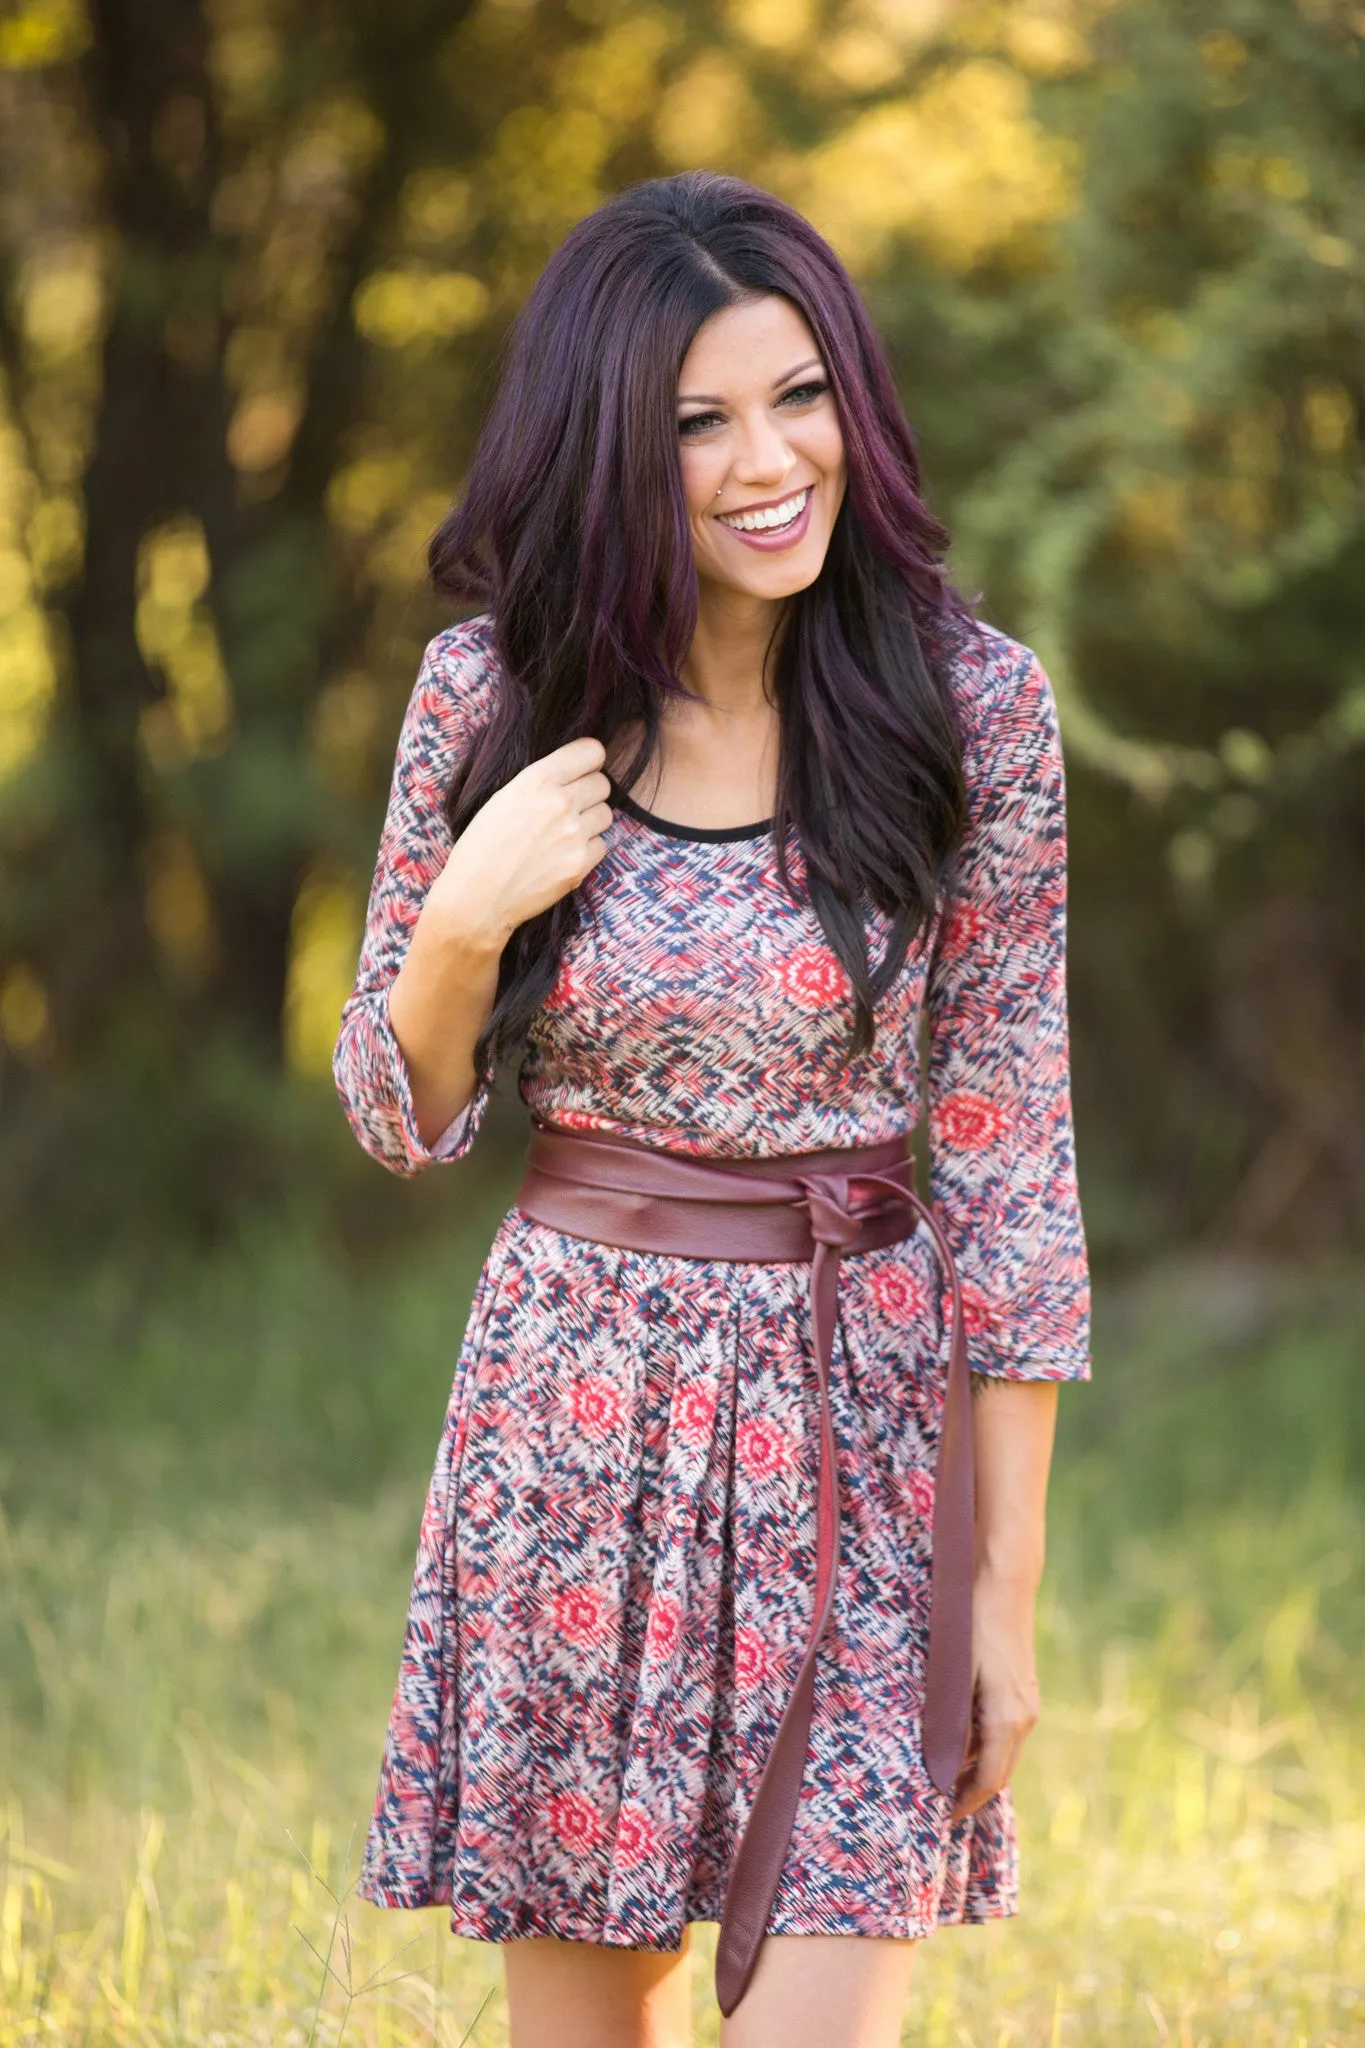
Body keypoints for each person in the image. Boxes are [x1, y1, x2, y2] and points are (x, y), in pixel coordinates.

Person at [332, 171, 1090, 2048]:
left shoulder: (970, 712)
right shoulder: (491, 702)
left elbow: (1011, 1171)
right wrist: (459, 917)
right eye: (700, 419)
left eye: (801, 392)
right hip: (579, 1423)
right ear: (611, 445)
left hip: (861, 1424)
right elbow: (395, 1106)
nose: (772, 460)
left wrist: (1003, 1599)